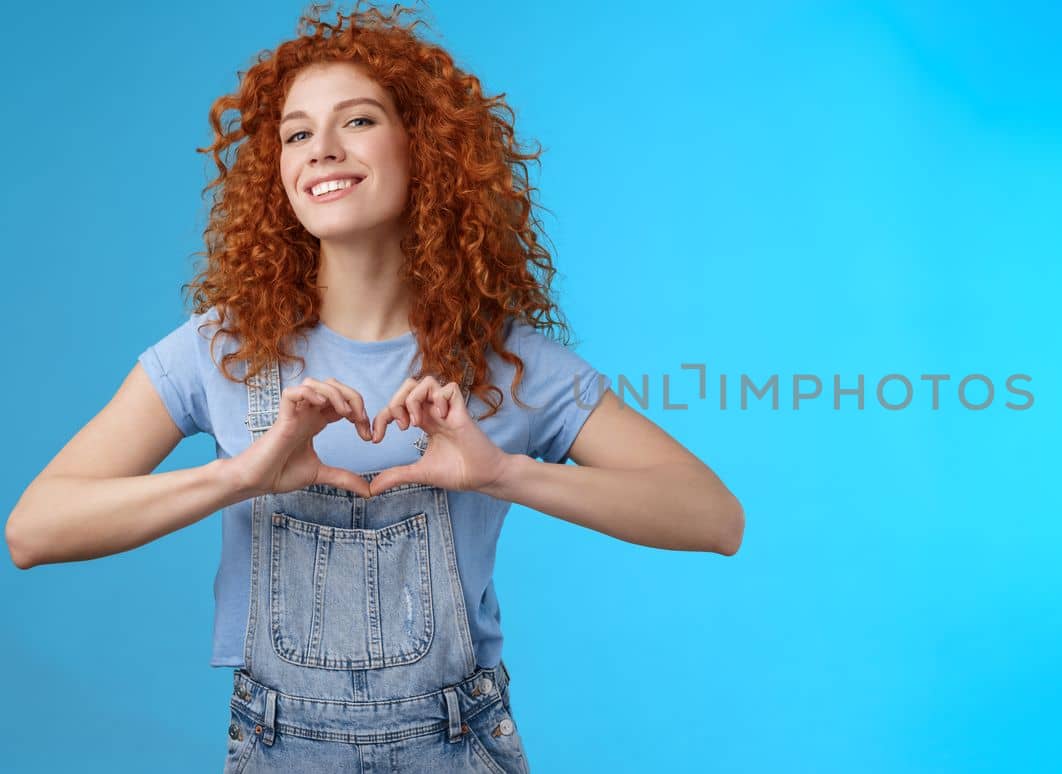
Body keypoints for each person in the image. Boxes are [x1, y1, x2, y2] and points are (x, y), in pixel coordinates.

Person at [3, 3, 743, 771]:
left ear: (423, 146)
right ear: (277, 174)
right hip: (278, 748)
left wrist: (503, 473)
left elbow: (714, 518)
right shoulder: (218, 352)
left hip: (459, 747)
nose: (321, 150)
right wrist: (239, 476)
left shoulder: (508, 365)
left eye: (356, 122)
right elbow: (33, 531)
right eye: (296, 133)